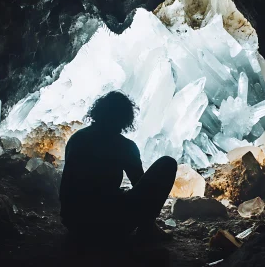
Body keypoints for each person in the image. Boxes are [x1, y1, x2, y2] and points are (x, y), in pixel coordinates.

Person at [59, 91, 177, 243]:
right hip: (111, 225)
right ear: (125, 119)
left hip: (74, 223)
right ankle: (148, 229)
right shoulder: (125, 146)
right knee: (167, 163)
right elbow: (142, 186)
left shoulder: (77, 138)